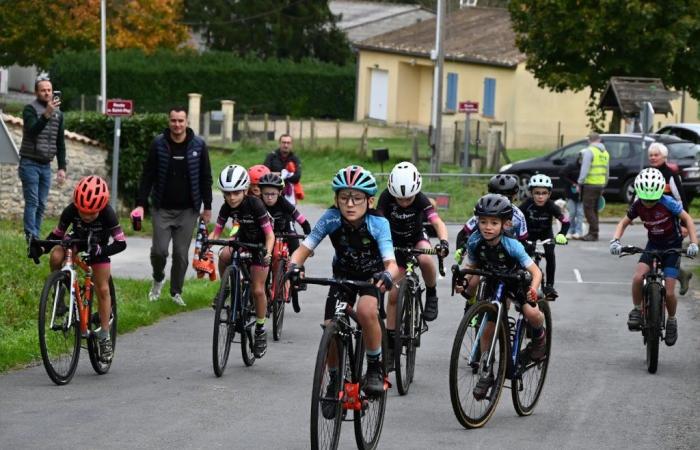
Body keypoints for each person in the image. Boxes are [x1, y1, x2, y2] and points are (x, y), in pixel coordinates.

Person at [287, 165, 398, 398]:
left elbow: (391, 263)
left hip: (372, 278)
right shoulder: (331, 218)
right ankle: (335, 378)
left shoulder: (378, 223)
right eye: (344, 197)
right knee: (330, 326)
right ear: (336, 199)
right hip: (342, 277)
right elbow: (304, 248)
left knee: (367, 311)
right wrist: (294, 267)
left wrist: (387, 274)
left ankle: (376, 367)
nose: (349, 204)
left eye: (357, 198)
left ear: (369, 201)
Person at [455, 193, 544, 400]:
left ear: (505, 224)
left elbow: (536, 272)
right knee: (488, 326)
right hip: (494, 279)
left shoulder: (512, 245)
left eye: (494, 222)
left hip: (516, 279)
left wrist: (533, 288)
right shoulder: (475, 241)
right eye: (483, 221)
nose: (487, 227)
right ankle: (487, 371)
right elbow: (472, 266)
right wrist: (465, 284)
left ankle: (540, 340)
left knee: (531, 312)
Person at [30, 176, 126, 362]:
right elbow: (57, 235)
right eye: (82, 211)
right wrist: (41, 248)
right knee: (57, 255)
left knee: (103, 288)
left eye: (91, 213)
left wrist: (101, 250)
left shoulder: (108, 213)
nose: (86, 216)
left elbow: (121, 243)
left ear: (101, 207)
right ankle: (60, 291)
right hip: (77, 240)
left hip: (99, 247)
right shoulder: (70, 210)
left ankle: (104, 336)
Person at [132, 106, 213, 306]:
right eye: (173, 121)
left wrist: (208, 207)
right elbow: (147, 176)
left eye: (180, 121)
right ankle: (158, 278)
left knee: (180, 254)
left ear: (187, 122)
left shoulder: (199, 145)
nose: (177, 125)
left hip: (188, 210)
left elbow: (206, 178)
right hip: (162, 208)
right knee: (159, 251)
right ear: (169, 122)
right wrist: (140, 204)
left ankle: (176, 292)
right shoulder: (158, 144)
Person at [610, 168, 698, 347]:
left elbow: (688, 220)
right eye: (645, 199)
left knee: (671, 291)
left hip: (672, 246)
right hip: (653, 245)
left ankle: (672, 320)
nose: (649, 203)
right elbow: (623, 223)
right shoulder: (638, 205)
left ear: (659, 194)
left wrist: (693, 243)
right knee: (637, 277)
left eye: (652, 199)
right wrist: (615, 241)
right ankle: (636, 310)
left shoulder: (668, 202)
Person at [209, 164, 275, 358]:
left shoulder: (255, 204)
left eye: (236, 193)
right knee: (224, 255)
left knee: (257, 289)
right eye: (227, 193)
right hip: (242, 242)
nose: (231, 197)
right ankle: (228, 286)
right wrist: (208, 242)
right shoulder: (225, 206)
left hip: (260, 246)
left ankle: (260, 329)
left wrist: (268, 253)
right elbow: (217, 230)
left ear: (245, 190)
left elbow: (270, 235)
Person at [377, 161, 449, 325]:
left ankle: (431, 293)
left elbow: (437, 222)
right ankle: (390, 339)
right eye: (399, 199)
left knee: (425, 258)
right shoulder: (386, 197)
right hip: (394, 241)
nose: (403, 202)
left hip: (416, 237)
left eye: (408, 198)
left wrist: (443, 242)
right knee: (394, 296)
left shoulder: (422, 200)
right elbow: (378, 222)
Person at [18, 76, 67, 240]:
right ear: (36, 92)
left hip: (46, 165)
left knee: (42, 204)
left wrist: (61, 168)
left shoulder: (59, 114)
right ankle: (31, 237)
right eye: (43, 90)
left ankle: (36, 237)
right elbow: (32, 131)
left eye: (49, 90)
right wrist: (46, 114)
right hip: (29, 162)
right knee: (32, 201)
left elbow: (60, 143)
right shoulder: (29, 109)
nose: (47, 93)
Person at [647, 142, 693, 295]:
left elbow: (682, 200)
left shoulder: (671, 175)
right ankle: (655, 285)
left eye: (656, 155)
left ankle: (678, 277)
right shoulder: (646, 173)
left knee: (668, 256)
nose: (653, 158)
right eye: (651, 155)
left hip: (672, 223)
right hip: (655, 221)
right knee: (657, 254)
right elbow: (638, 194)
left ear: (664, 157)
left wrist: (684, 224)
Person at [455, 174, 528, 261]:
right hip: (484, 251)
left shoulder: (519, 216)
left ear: (514, 197)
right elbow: (463, 233)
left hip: (508, 255)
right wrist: (460, 250)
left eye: (506, 198)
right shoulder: (484, 212)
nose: (500, 200)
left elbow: (523, 241)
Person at [519, 174, 570, 299]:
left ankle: (549, 286)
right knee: (523, 255)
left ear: (549, 194)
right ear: (531, 193)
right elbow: (516, 218)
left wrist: (561, 234)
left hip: (545, 234)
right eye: (537, 193)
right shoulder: (527, 204)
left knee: (550, 254)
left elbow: (566, 221)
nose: (540, 196)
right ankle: (521, 284)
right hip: (529, 233)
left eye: (544, 193)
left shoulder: (551, 206)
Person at [577, 132, 609, 241]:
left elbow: (584, 168)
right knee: (594, 209)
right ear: (599, 140)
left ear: (589, 140)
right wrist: (604, 184)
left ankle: (593, 233)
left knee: (588, 209)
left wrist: (580, 182)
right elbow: (607, 171)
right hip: (600, 184)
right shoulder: (605, 153)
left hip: (590, 184)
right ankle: (593, 232)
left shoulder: (589, 151)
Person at [264, 134, 302, 205]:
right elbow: (265, 174)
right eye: (284, 142)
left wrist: (279, 175)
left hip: (289, 194)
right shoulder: (271, 156)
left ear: (291, 144)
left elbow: (297, 177)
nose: (286, 145)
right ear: (279, 143)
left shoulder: (295, 158)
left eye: (288, 143)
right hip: (272, 193)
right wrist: (286, 175)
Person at [563, 155, 584, 239]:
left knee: (580, 213)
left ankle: (579, 232)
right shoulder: (571, 167)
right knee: (572, 213)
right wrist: (572, 183)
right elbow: (562, 175)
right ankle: (570, 231)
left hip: (582, 194)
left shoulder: (588, 168)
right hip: (571, 194)